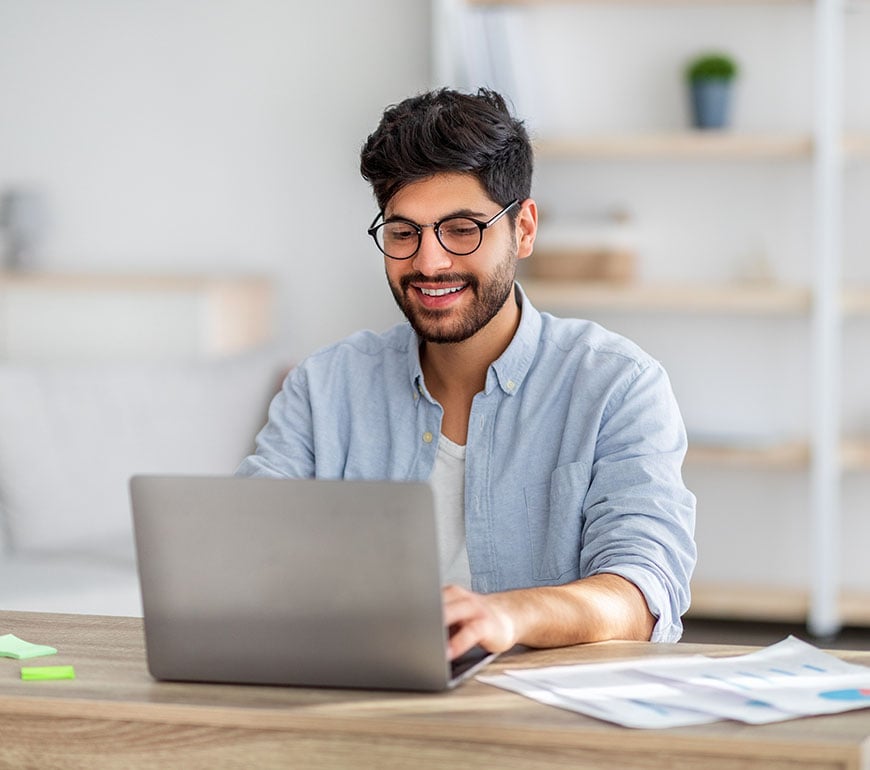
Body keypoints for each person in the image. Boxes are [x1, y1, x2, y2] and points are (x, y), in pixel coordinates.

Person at [236, 88, 696, 660]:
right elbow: (248, 552)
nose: (429, 263)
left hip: (541, 716)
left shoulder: (617, 385)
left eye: (462, 229)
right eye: (404, 233)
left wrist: (507, 614)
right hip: (361, 702)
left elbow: (643, 591)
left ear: (524, 229)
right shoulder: (324, 387)